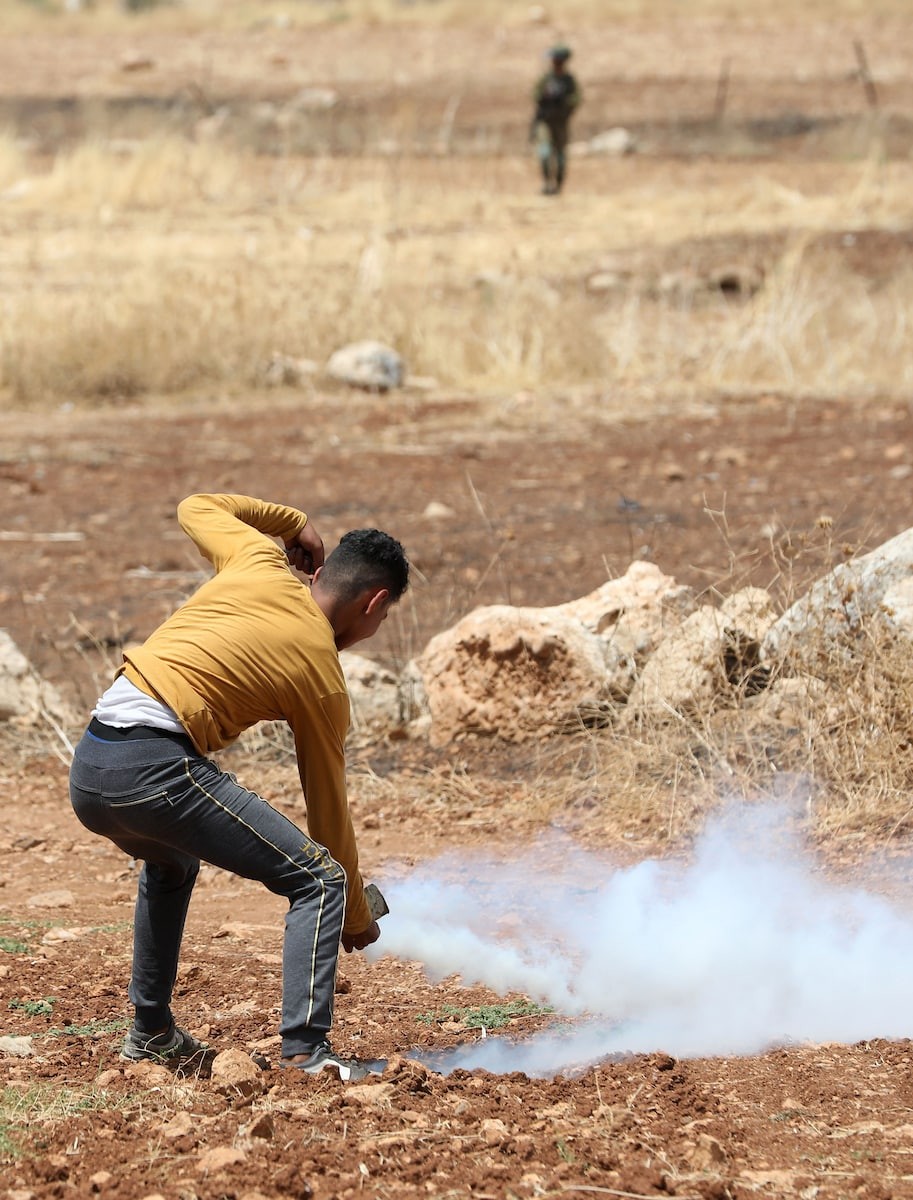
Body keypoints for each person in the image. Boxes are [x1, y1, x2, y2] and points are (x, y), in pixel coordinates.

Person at [69, 493, 409, 1082]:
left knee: (172, 861)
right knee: (319, 880)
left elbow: (195, 506)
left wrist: (294, 524)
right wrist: (354, 915)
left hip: (91, 765)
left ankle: (151, 1034)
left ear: (320, 574)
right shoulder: (321, 675)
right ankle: (306, 1054)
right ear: (373, 602)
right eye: (382, 619)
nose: (373, 631)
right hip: (153, 768)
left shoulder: (257, 559)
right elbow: (328, 812)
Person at [531, 44, 582, 195]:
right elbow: (535, 95)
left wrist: (564, 102)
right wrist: (545, 97)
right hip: (545, 121)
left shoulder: (568, 80)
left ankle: (558, 186)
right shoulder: (545, 79)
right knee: (545, 153)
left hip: (560, 122)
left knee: (560, 157)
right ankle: (546, 183)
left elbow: (576, 99)